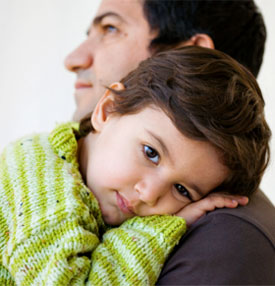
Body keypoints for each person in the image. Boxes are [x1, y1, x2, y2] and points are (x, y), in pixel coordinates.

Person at [0, 47, 270, 285]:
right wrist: (159, 230)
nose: (150, 194)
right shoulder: (37, 176)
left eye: (181, 190)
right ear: (107, 110)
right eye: (151, 153)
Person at [65, 0, 275, 284]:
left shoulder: (226, 239)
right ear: (108, 109)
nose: (73, 59)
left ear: (190, 51)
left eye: (111, 28)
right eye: (150, 153)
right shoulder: (45, 181)